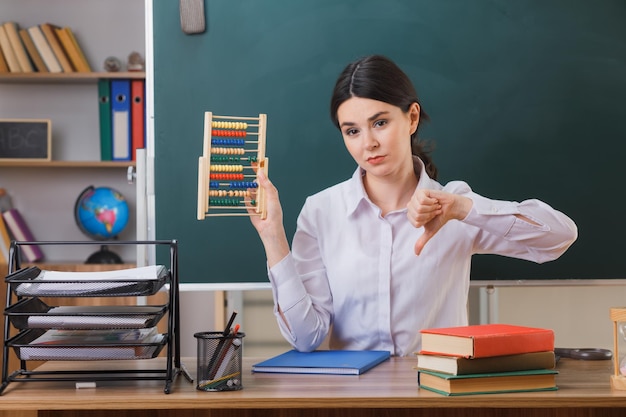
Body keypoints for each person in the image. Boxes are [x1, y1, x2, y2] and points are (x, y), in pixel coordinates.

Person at [248, 54, 577, 356]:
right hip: (353, 397)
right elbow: (306, 338)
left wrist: (463, 209)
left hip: (436, 390)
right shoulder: (321, 212)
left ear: (412, 117)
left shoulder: (452, 203)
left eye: (380, 122)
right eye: (352, 131)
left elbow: (559, 238)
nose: (369, 143)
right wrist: (273, 236)